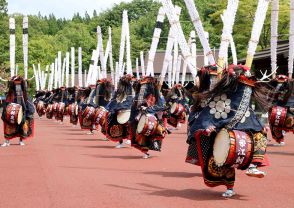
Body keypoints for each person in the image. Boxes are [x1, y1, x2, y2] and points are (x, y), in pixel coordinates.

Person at [187, 65, 273, 197]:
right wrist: (208, 127)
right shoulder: (221, 96)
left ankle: (253, 166)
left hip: (244, 126)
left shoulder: (245, 92)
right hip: (222, 129)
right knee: (226, 160)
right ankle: (230, 187)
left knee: (260, 135)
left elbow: (249, 112)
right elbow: (210, 113)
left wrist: (260, 125)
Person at [130, 76, 167, 159]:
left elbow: (161, 106)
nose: (144, 87)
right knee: (140, 132)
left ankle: (153, 143)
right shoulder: (140, 95)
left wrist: (149, 109)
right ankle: (145, 151)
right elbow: (137, 105)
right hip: (143, 116)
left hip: (154, 116)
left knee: (153, 130)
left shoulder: (158, 95)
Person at [1, 76, 35, 146]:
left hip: (22, 111)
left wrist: (29, 112)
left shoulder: (24, 94)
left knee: (23, 125)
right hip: (11, 112)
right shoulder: (10, 94)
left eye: (19, 83)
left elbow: (28, 103)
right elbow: (7, 103)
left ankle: (21, 140)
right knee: (8, 125)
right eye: (16, 83)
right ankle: (7, 141)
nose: (17, 85)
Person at [105, 75, 134, 148]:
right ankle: (120, 142)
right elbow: (114, 99)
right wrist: (111, 108)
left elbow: (130, 99)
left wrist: (122, 107)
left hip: (127, 109)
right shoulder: (119, 90)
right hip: (118, 110)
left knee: (129, 125)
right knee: (117, 126)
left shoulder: (130, 88)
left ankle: (129, 138)